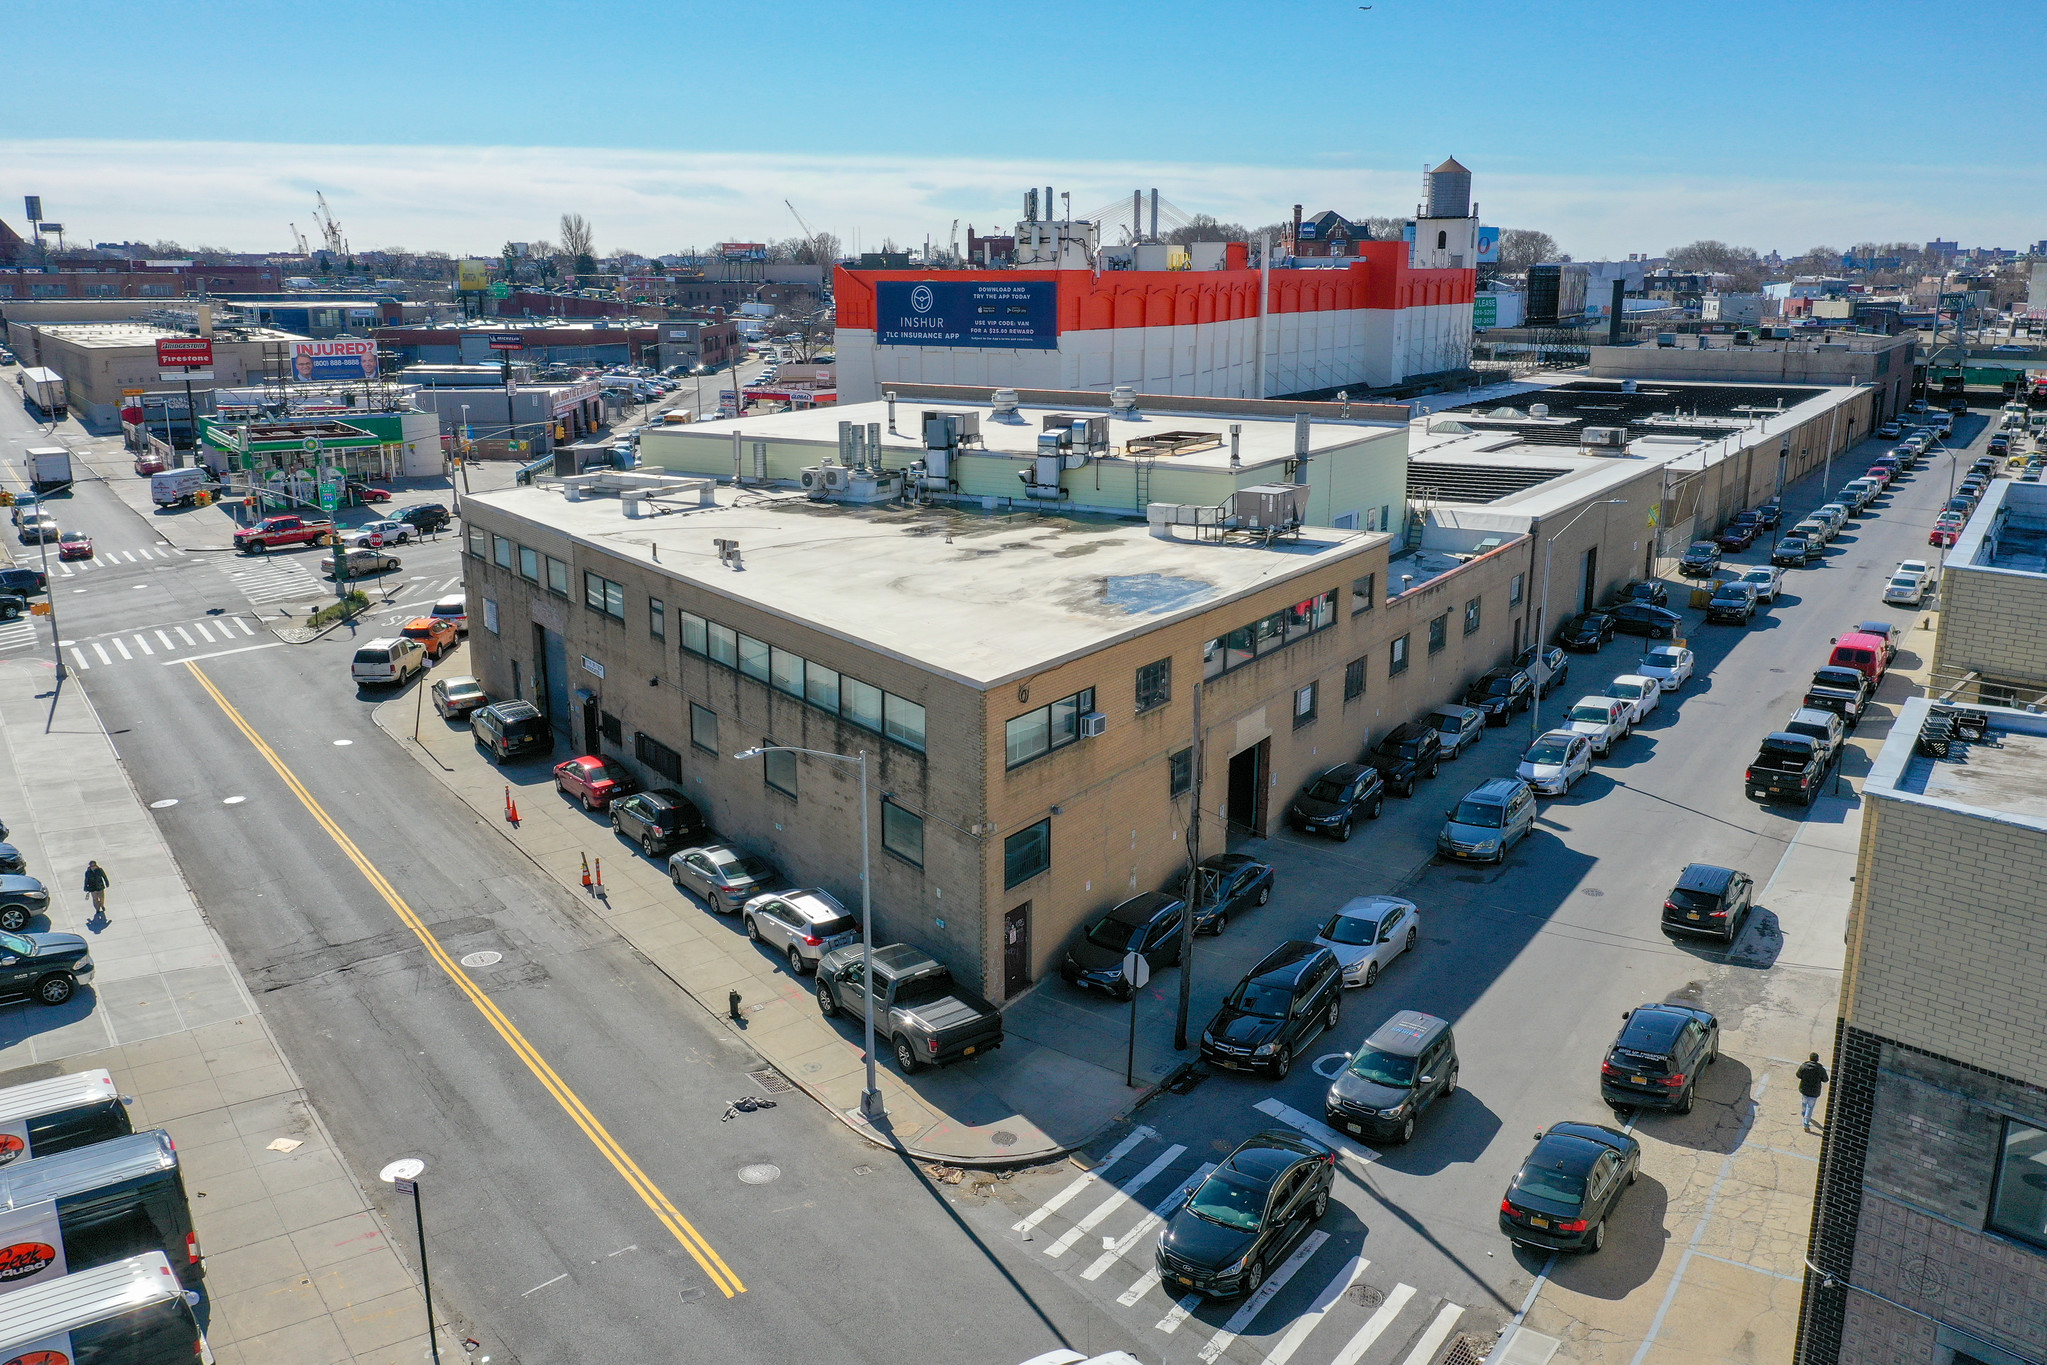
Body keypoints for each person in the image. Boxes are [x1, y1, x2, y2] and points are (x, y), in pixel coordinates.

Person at [1797, 1052, 1829, 1132]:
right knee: (1810, 1108)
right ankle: (1806, 1123)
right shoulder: (1820, 1069)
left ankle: (1803, 1114)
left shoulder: (1804, 1066)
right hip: (1814, 1091)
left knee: (1804, 1102)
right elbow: (1825, 1080)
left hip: (1804, 1089)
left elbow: (1798, 1075)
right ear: (1817, 1060)